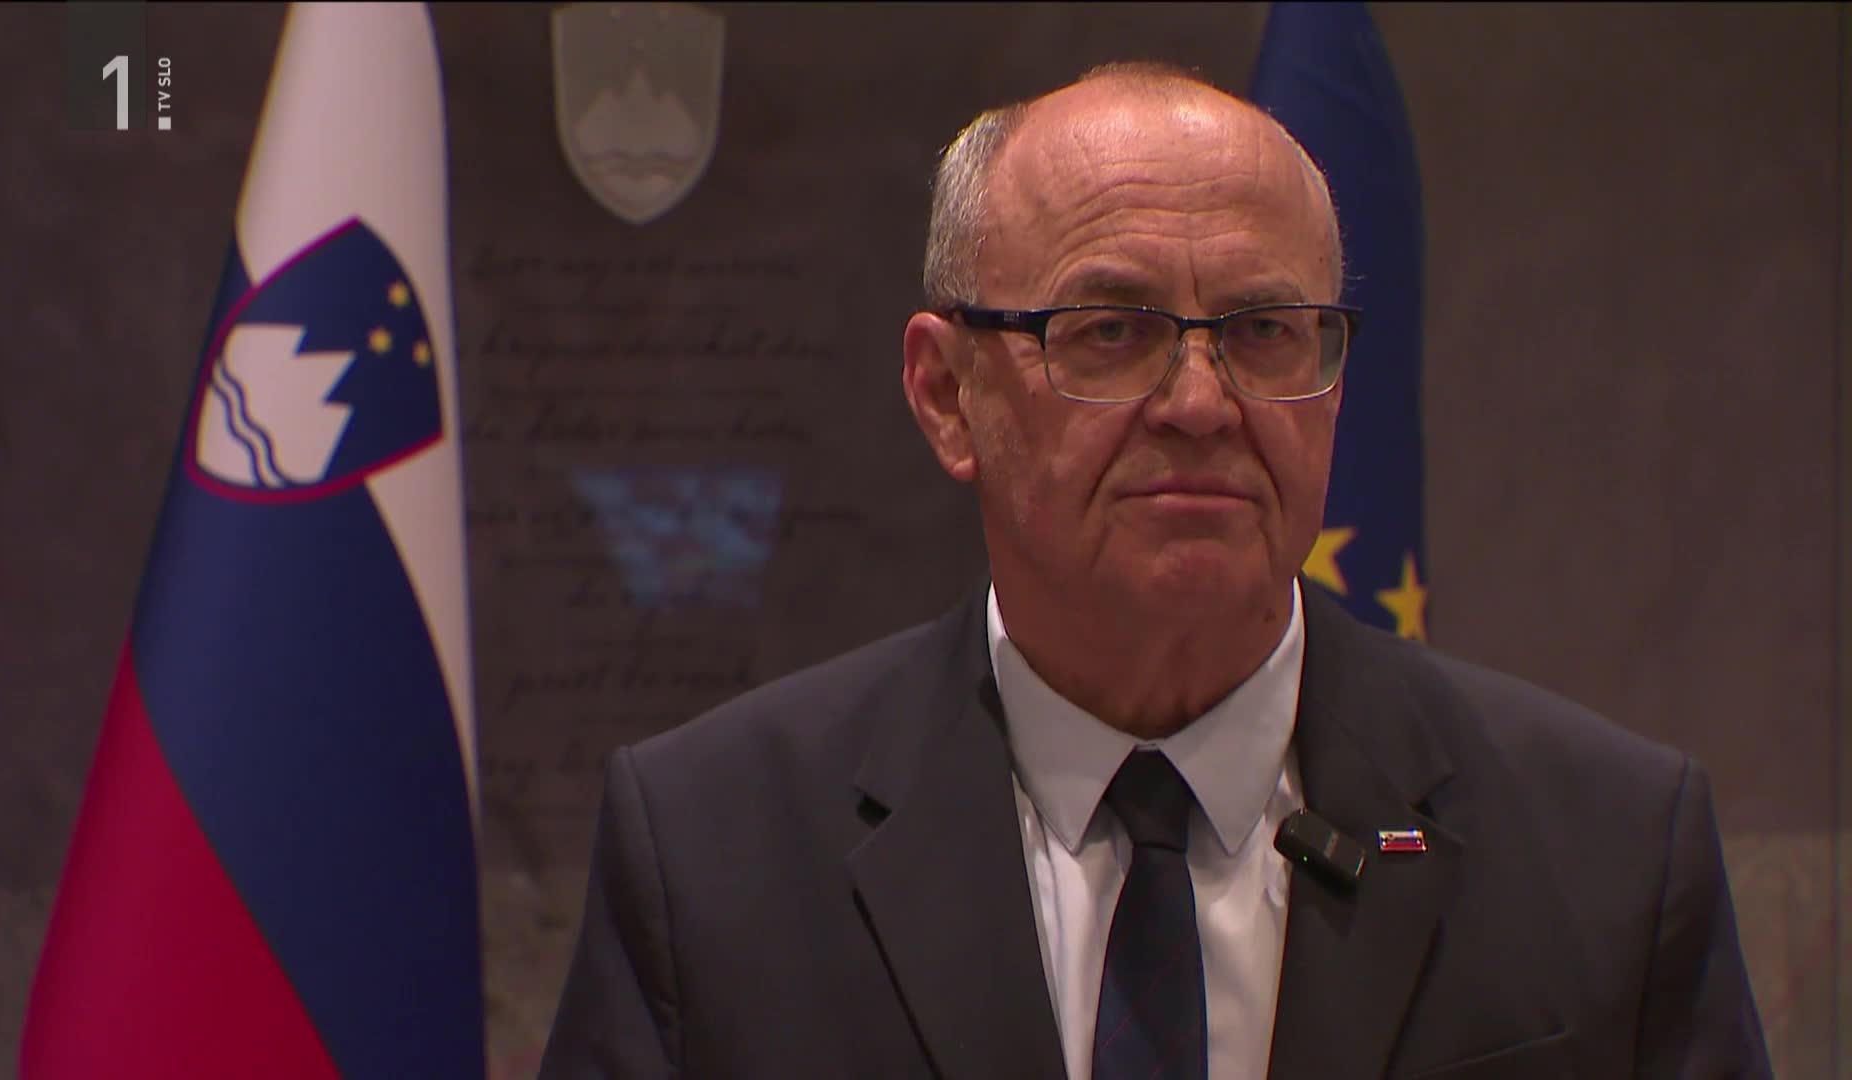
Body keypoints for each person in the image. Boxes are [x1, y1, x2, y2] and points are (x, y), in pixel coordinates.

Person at [539, 63, 1770, 1079]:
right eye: (1111, 332)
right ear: (948, 395)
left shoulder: (1608, 849)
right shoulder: (712, 857)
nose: (1200, 403)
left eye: (1264, 331)